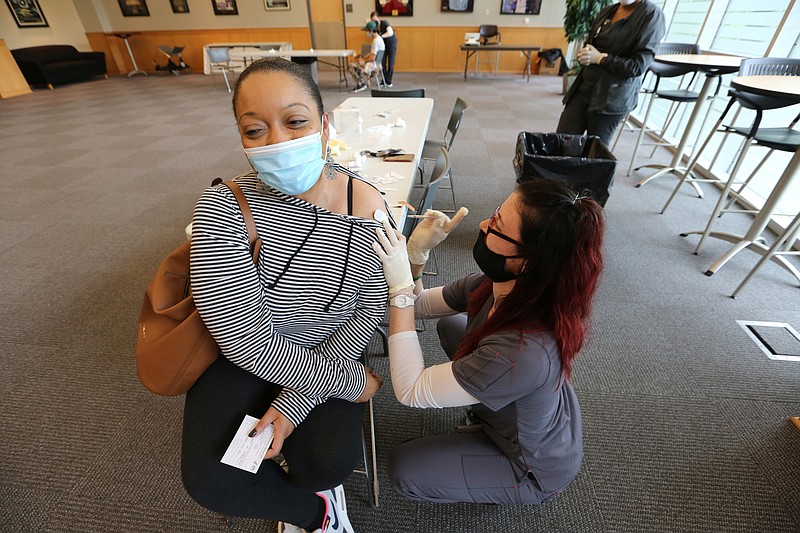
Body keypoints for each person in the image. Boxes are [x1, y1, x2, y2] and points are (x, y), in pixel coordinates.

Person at [182, 57, 391, 533]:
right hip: (248, 360)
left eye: (295, 122)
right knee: (211, 480)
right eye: (254, 130)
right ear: (241, 137)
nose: (277, 141)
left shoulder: (368, 206)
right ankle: (315, 516)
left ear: (324, 124)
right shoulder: (222, 204)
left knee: (323, 463)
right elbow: (242, 341)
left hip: (329, 354)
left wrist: (290, 406)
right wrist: (348, 383)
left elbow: (362, 320)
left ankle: (317, 487)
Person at [371, 178, 605, 505]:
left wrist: (397, 292)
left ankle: (511, 472)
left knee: (405, 467)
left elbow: (411, 390)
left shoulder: (522, 350)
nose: (483, 224)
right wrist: (417, 255)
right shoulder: (503, 284)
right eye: (495, 214)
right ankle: (485, 409)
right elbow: (420, 305)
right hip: (531, 403)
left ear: (530, 261)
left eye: (498, 225)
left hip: (530, 465)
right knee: (453, 326)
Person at [556, 0, 665, 148]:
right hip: (584, 89)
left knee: (594, 153)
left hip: (611, 97)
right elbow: (591, 44)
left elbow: (637, 66)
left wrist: (601, 59)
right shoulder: (607, 11)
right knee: (562, 144)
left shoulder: (651, 16)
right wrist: (586, 55)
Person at [349, 21, 385, 93]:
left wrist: (363, 61)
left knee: (351, 66)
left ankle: (361, 84)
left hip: (373, 65)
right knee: (357, 62)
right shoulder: (379, 39)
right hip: (378, 63)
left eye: (367, 31)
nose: (366, 33)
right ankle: (361, 82)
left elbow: (372, 58)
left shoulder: (375, 41)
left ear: (371, 30)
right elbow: (372, 53)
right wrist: (363, 58)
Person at [370, 11, 398, 87]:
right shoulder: (375, 27)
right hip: (383, 46)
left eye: (375, 20)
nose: (374, 22)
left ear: (378, 18)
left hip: (391, 44)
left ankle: (388, 81)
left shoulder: (385, 23)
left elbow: (390, 33)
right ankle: (384, 80)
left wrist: (381, 36)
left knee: (390, 63)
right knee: (382, 63)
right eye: (372, 20)